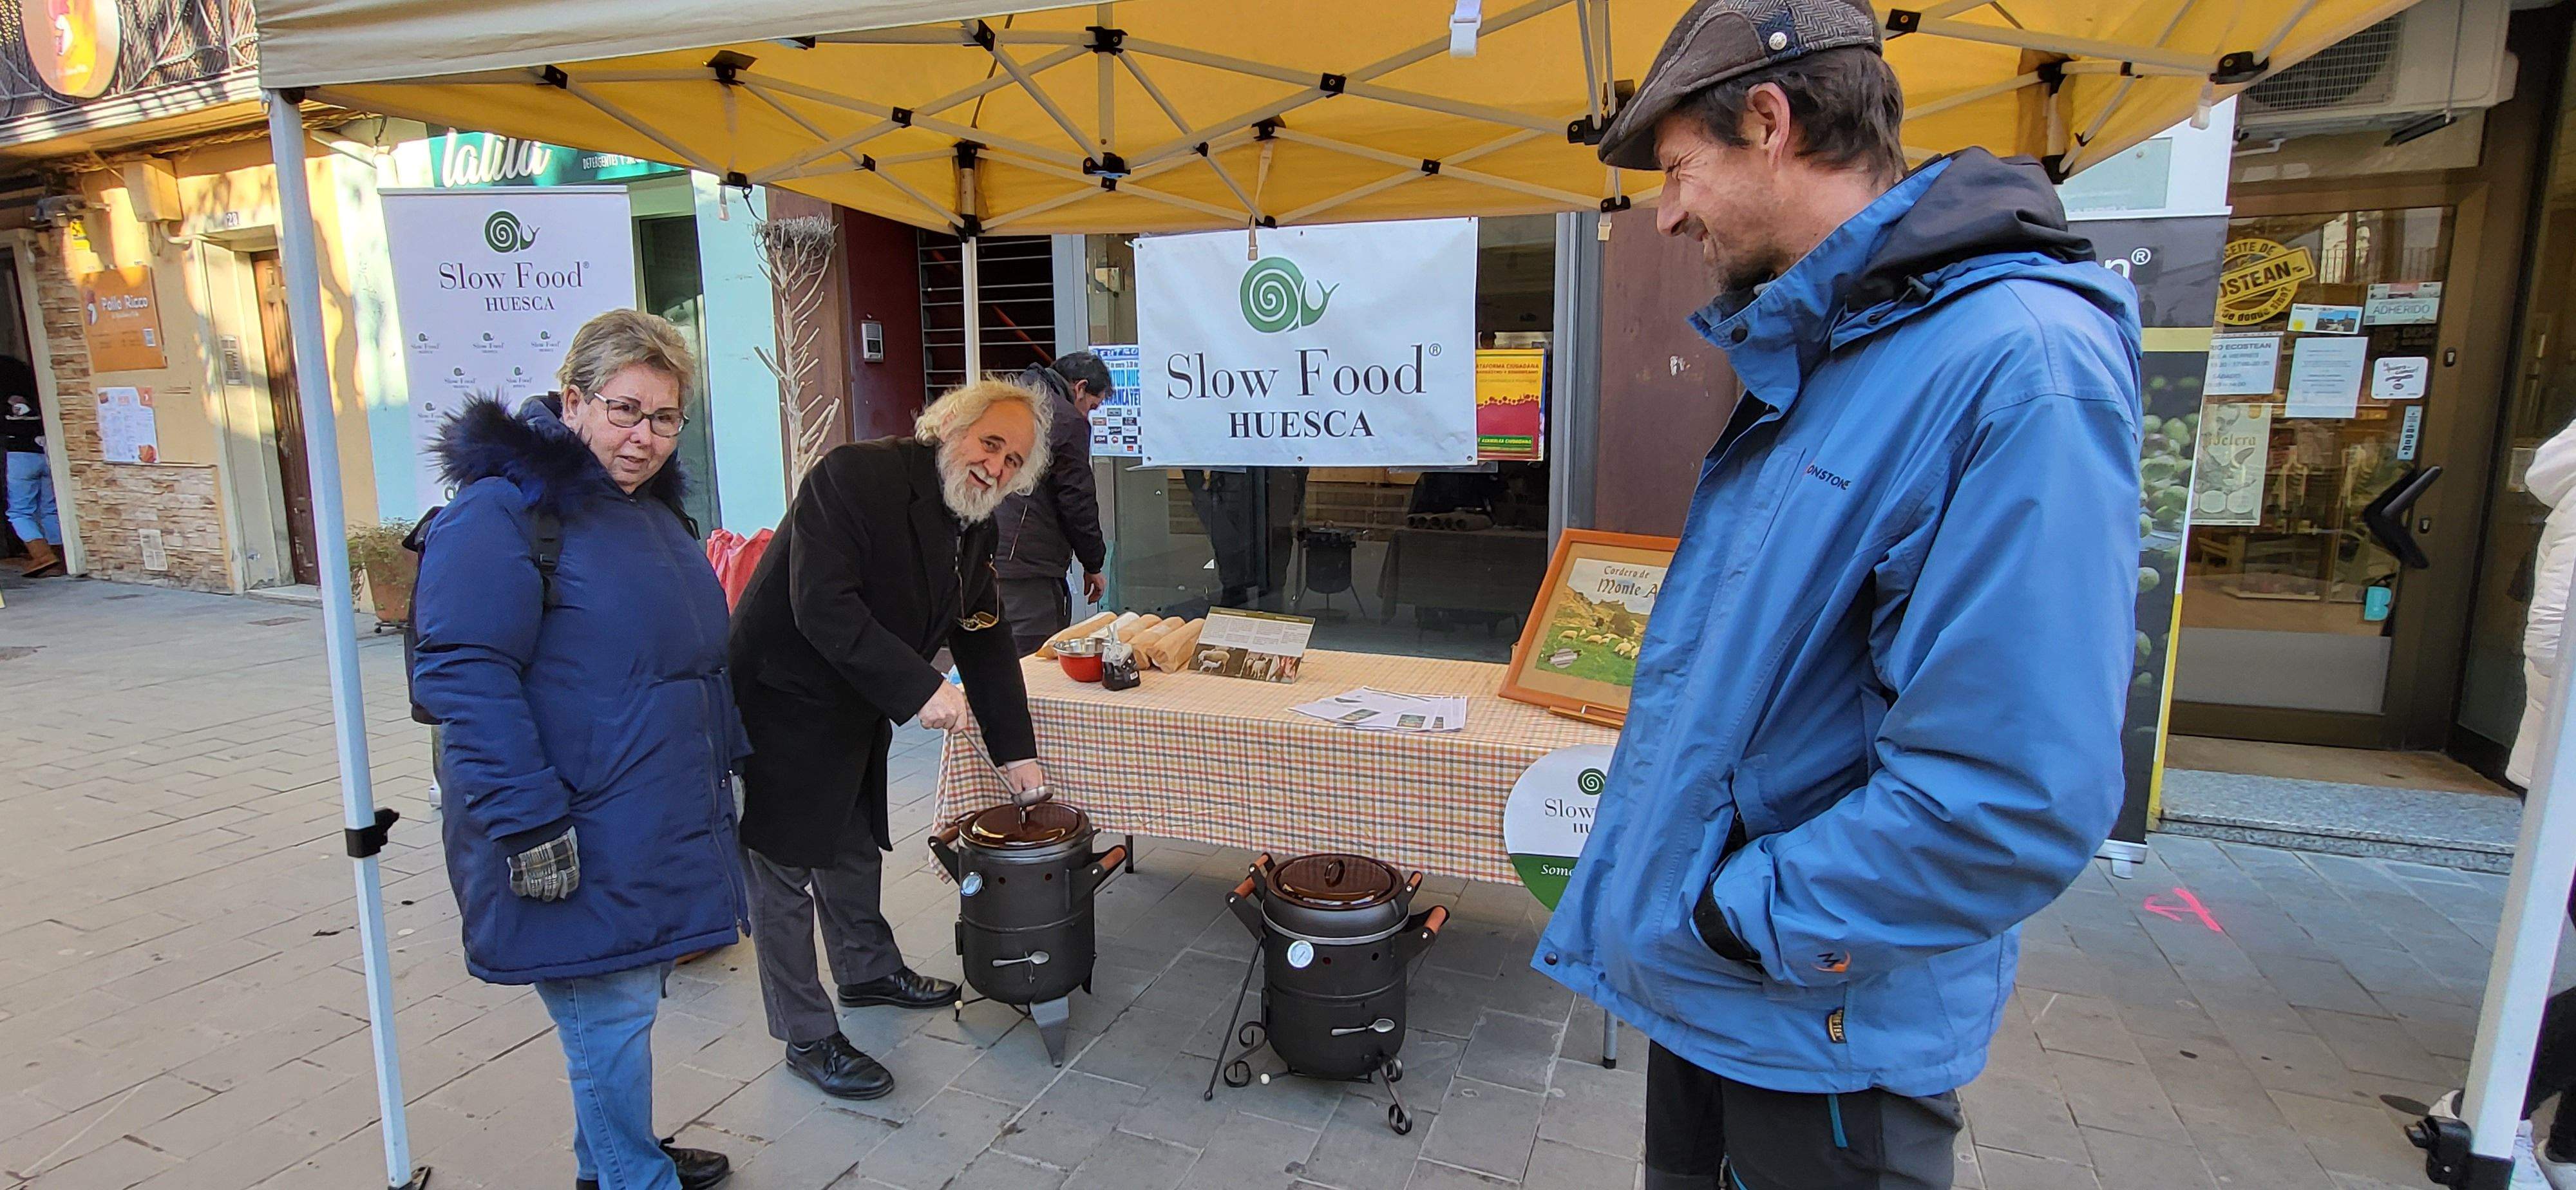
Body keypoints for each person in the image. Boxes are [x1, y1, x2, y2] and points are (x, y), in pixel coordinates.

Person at [1530, 3, 2141, 1186]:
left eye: (1677, 168)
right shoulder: (1842, 348)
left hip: (1817, 1029)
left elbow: (2013, 795)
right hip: (1724, 998)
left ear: (1770, 121)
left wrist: (1736, 917)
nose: (1669, 212)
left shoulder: (2018, 364)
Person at [410, 310, 741, 1190]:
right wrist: (527, 821)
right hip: (568, 817)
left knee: (624, 1002)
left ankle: (614, 1159)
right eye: (625, 411)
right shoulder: (503, 511)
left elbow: (693, 665)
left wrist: (729, 766)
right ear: (573, 401)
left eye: (665, 419)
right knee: (610, 1009)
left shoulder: (649, 516)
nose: (646, 439)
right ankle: (633, 1176)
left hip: (648, 811)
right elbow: (464, 677)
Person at [727, 379, 1051, 1100]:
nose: (996, 467)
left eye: (1013, 460)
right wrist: (919, 688)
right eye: (989, 443)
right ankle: (806, 1035)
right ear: (948, 426)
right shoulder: (853, 475)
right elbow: (822, 604)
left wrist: (1016, 752)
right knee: (781, 868)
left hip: (854, 697)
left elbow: (985, 637)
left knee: (849, 839)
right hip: (780, 695)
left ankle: (868, 971)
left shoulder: (976, 523)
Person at [996, 352, 1112, 655]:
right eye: (1092, 406)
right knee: (1034, 662)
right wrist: (1094, 563)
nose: (1088, 416)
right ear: (1080, 388)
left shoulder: (1006, 398)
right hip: (1027, 564)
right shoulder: (1065, 419)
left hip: (984, 556)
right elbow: (1077, 501)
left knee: (992, 657)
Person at [2, 355, 63, 576]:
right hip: (46, 451)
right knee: (50, 508)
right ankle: (60, 556)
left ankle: (43, 556)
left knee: (19, 512)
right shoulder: (34, 387)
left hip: (19, 455)